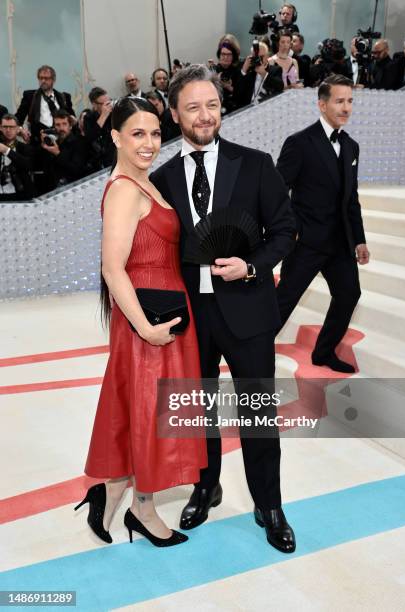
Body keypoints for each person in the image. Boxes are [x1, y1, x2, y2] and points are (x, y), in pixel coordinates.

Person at [150, 65, 296, 553]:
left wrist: (251, 267)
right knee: (201, 412)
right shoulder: (163, 179)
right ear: (174, 114)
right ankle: (205, 486)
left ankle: (269, 504)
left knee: (258, 414)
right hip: (191, 318)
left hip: (248, 311)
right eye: (192, 107)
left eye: (212, 104)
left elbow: (284, 231)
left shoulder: (255, 165)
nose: (205, 114)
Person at [78, 97, 207, 547]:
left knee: (146, 410)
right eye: (137, 133)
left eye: (154, 133)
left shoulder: (145, 183)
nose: (150, 143)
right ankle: (142, 508)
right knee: (153, 414)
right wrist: (144, 329)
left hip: (164, 315)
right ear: (115, 137)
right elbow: (113, 269)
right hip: (146, 323)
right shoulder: (124, 191)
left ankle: (112, 491)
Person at [276, 74, 369, 373]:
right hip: (306, 242)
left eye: (350, 101)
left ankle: (324, 352)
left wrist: (359, 239)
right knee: (284, 301)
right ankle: (251, 351)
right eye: (340, 101)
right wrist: (294, 229)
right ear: (322, 104)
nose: (346, 107)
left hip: (340, 242)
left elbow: (350, 199)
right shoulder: (299, 143)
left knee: (349, 294)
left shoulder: (352, 147)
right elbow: (277, 193)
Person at [15, 65, 75, 143]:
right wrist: (21, 130)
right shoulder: (30, 96)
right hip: (38, 141)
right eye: (40, 78)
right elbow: (17, 119)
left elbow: (72, 118)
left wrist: (72, 120)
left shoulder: (64, 97)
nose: (43, 81)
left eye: (46, 78)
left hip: (61, 142)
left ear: (53, 80)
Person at [40, 109, 89, 190]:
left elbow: (77, 170)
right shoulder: (53, 143)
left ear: (70, 126)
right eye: (58, 125)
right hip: (53, 189)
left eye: (64, 124)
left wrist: (58, 154)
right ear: (54, 127)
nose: (61, 128)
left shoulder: (79, 142)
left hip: (74, 188)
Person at [235, 41, 284, 107]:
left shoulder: (275, 70)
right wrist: (244, 70)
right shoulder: (249, 71)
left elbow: (280, 87)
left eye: (261, 57)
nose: (259, 60)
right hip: (246, 109)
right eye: (256, 57)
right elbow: (237, 94)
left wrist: (264, 74)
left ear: (267, 56)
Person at [0, 113, 34, 201]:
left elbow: (28, 165)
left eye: (12, 127)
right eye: (5, 127)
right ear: (0, 128)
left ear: (17, 129)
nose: (8, 130)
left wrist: (7, 151)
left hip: (20, 195)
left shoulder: (25, 148)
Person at [208, 34, 242, 114]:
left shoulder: (240, 70)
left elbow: (242, 96)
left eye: (229, 54)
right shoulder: (213, 70)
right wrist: (215, 82)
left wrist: (227, 86)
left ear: (234, 55)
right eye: (223, 54)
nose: (225, 57)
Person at [83, 87, 115, 170]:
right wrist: (104, 115)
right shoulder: (88, 117)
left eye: (109, 102)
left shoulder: (114, 113)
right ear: (94, 105)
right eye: (105, 104)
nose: (109, 106)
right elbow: (91, 137)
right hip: (102, 160)